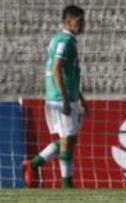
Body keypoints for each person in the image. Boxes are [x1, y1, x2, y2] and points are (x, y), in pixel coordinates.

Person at [23, 5, 87, 188]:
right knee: (67, 141)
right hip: (60, 98)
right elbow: (56, 68)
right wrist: (65, 98)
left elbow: (71, 73)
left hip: (68, 96)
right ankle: (67, 186)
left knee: (69, 139)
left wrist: (81, 99)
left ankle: (33, 164)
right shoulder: (64, 41)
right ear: (68, 22)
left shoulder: (66, 40)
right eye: (79, 21)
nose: (83, 25)